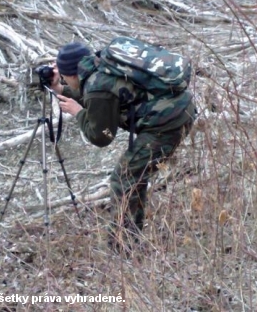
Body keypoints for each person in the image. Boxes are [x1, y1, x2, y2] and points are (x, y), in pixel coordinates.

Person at [50, 40, 195, 254]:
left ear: (72, 74)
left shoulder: (96, 87)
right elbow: (101, 97)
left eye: (63, 77)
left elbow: (102, 136)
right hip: (178, 110)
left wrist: (78, 112)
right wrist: (60, 89)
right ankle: (129, 238)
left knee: (125, 177)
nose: (63, 80)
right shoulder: (100, 65)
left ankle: (123, 246)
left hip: (166, 125)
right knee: (133, 176)